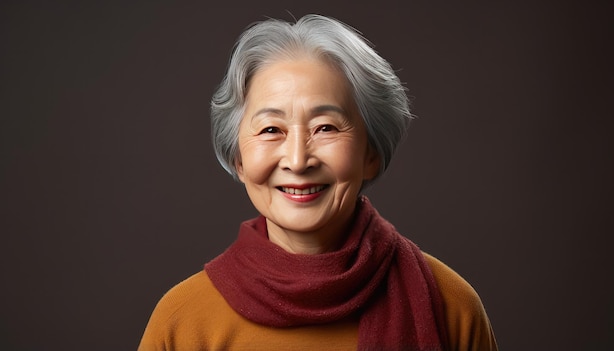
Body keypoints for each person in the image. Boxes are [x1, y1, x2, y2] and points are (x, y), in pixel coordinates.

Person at [139, 14, 498, 351]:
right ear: (239, 160)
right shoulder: (182, 322)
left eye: (325, 128)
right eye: (270, 130)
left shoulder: (451, 306)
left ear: (370, 153)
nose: (297, 160)